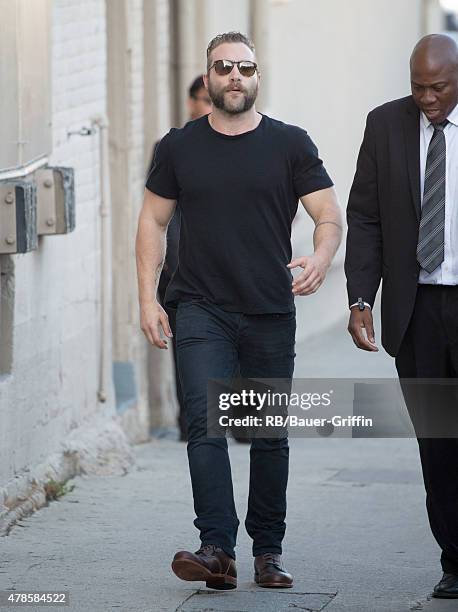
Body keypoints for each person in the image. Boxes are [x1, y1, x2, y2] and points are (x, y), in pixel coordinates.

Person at [136, 31, 341, 591]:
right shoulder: (178, 147)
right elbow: (152, 221)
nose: (234, 76)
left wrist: (322, 258)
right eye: (223, 67)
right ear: (208, 78)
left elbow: (328, 214)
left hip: (270, 311)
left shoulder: (290, 144)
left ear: (257, 78)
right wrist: (147, 297)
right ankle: (216, 549)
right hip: (200, 308)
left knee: (269, 436)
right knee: (207, 428)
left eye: (245, 68)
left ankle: (267, 553)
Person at [345, 34, 458, 599]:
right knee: (437, 439)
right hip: (418, 310)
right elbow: (364, 217)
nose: (427, 98)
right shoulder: (386, 125)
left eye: (438, 87)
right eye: (418, 87)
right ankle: (456, 558)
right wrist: (361, 296)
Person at [149, 76, 212, 442]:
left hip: (230, 269)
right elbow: (161, 215)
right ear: (191, 103)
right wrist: (170, 265)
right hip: (180, 272)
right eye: (203, 99)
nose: (208, 105)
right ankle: (191, 424)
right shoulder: (170, 148)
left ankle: (242, 425)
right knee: (187, 353)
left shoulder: (247, 144)